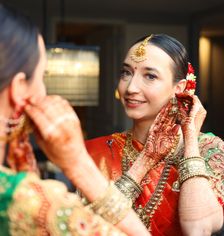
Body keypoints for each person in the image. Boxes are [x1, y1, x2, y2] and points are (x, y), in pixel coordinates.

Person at [0, 4, 150, 236]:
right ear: (19, 88)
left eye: (150, 76)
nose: (132, 88)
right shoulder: (33, 203)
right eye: (43, 75)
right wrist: (79, 164)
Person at [85, 34, 224, 235]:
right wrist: (145, 161)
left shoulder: (208, 148)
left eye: (150, 76)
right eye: (126, 73)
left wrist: (190, 139)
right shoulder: (96, 151)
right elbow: (85, 227)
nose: (130, 87)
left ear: (179, 89)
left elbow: (198, 228)